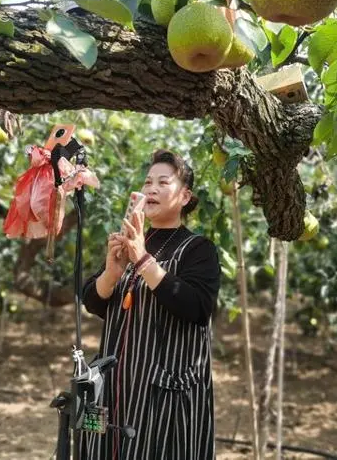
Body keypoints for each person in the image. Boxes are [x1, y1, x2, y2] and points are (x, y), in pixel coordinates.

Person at [81, 149, 221, 459]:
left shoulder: (198, 249)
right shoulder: (130, 240)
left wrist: (143, 260)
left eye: (163, 182)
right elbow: (92, 301)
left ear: (185, 197)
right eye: (147, 182)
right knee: (97, 450)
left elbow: (196, 307)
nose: (151, 189)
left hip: (162, 390)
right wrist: (112, 271)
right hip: (110, 383)